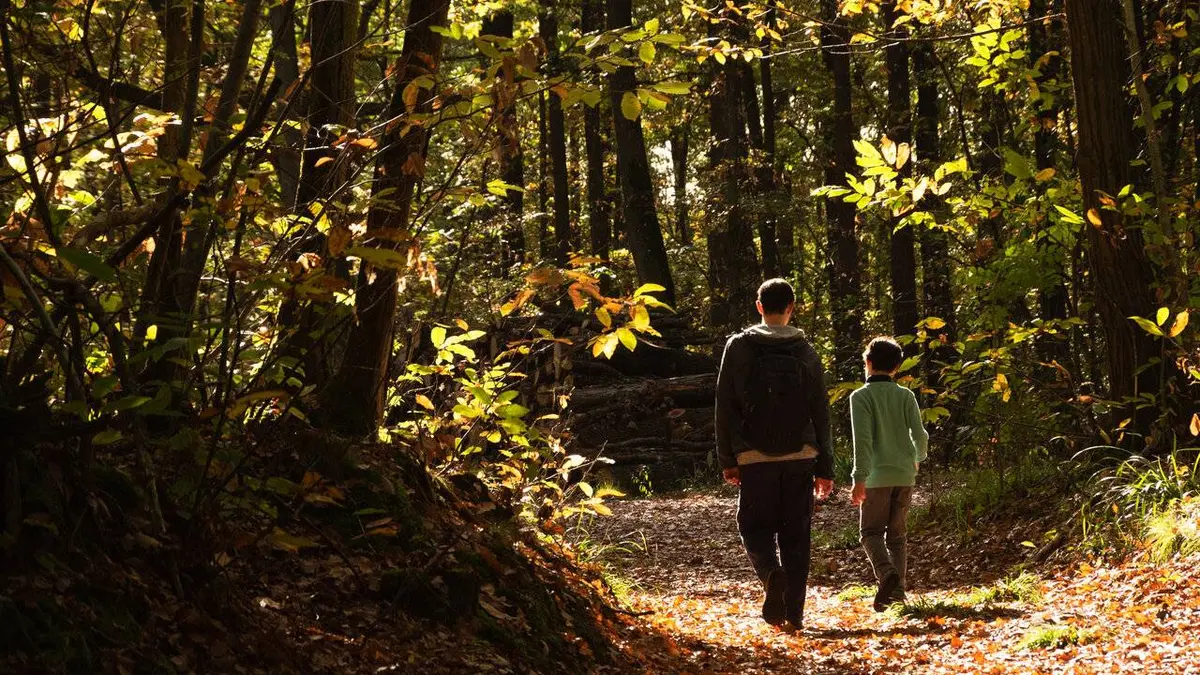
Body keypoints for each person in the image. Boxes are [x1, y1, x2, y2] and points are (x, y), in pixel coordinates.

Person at [715, 278, 834, 630]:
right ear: (791, 308)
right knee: (797, 536)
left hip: (753, 456)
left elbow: (725, 405)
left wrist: (727, 459)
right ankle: (794, 615)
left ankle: (770, 572)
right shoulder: (805, 351)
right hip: (801, 456)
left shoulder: (738, 347)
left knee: (753, 527)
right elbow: (821, 412)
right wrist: (826, 467)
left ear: (759, 306)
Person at [849, 337, 929, 611]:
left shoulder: (860, 397)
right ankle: (898, 595)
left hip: (876, 477)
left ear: (868, 363)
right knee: (897, 536)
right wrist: (917, 459)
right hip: (904, 474)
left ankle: (886, 574)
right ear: (896, 367)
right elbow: (920, 435)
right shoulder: (906, 396)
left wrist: (859, 478)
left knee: (870, 532)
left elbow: (863, 441)